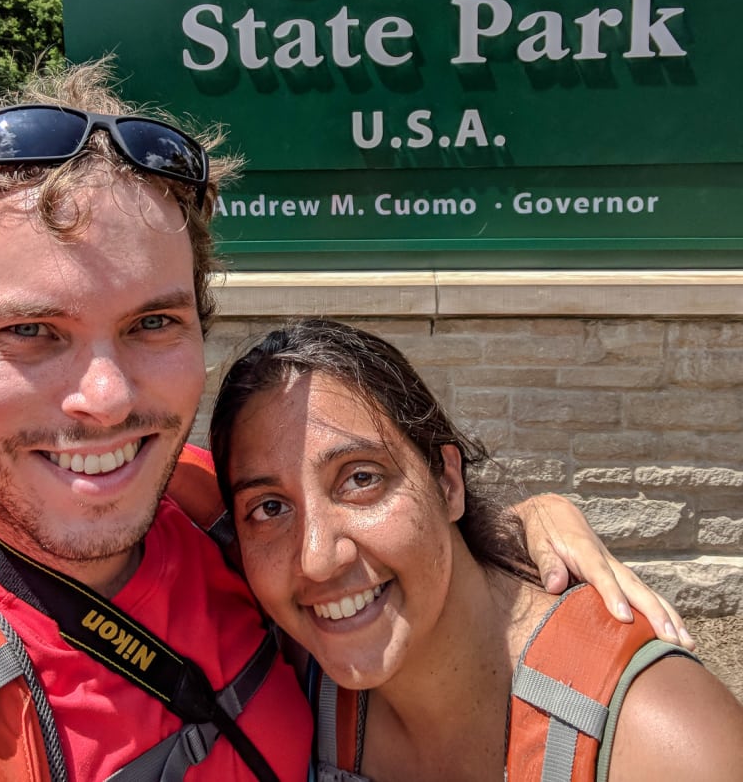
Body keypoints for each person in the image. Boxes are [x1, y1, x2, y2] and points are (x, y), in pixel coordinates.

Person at [0, 64, 691, 781]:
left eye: (151, 322)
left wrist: (528, 523)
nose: (104, 398)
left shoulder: (204, 505)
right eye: (32, 330)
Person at [209, 318, 743, 782]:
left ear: (448, 481)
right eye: (270, 508)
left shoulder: (656, 738)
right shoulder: (288, 668)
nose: (318, 560)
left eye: (361, 478)